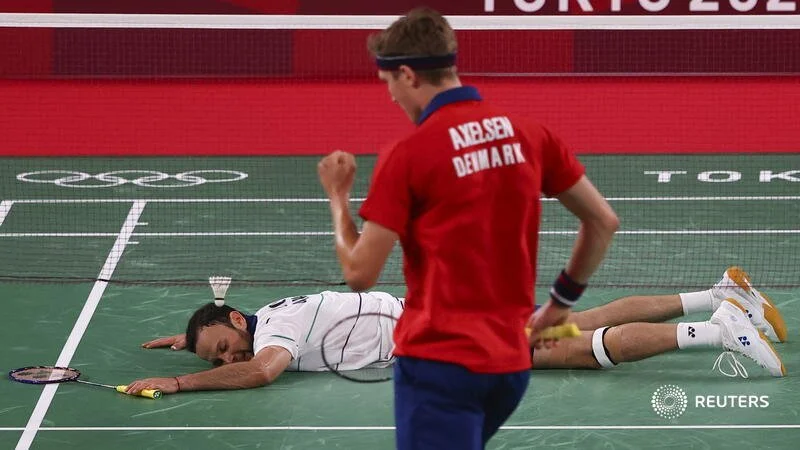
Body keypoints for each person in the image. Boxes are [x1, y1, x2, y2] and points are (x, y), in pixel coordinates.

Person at [315, 7, 618, 449]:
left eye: (389, 84)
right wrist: (558, 306)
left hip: (441, 367)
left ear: (407, 75)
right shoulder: (530, 134)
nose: (391, 97)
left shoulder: (409, 154)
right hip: (511, 366)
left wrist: (338, 196)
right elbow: (603, 221)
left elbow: (360, 274)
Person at [124, 267, 787, 396]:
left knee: (576, 354)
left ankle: (718, 329)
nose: (226, 359)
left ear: (237, 320)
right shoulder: (264, 317)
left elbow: (262, 367)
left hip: (442, 337)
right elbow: (239, 341)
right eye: (219, 356)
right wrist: (188, 339)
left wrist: (185, 380)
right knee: (574, 321)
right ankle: (721, 294)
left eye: (222, 348)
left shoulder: (277, 333)